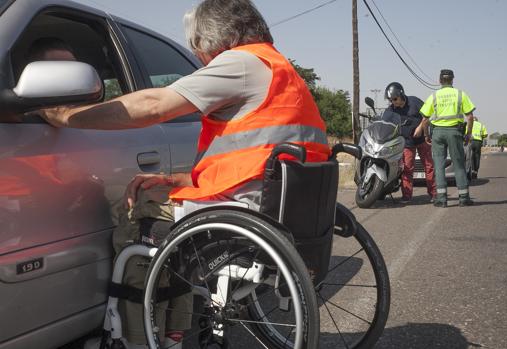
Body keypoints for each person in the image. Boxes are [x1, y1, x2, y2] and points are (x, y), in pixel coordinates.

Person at [36, 0, 331, 347]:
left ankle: (136, 338)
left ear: (221, 39)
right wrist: (182, 181)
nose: (203, 60)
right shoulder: (281, 69)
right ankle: (175, 329)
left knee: (139, 216)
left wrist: (66, 117)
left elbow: (152, 105)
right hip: (278, 207)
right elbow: (261, 159)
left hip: (244, 212)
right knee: (161, 204)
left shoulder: (240, 63)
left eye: (200, 50)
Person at [415, 69, 475, 208]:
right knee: (459, 164)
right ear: (453, 79)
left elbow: (425, 119)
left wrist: (426, 135)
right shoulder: (460, 94)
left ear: (440, 80)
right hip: (455, 132)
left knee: (439, 166)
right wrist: (468, 134)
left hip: (438, 133)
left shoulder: (434, 96)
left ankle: (441, 199)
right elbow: (470, 117)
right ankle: (464, 198)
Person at [384, 82, 437, 203]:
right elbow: (384, 121)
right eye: (391, 100)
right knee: (407, 169)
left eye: (395, 99)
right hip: (406, 143)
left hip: (422, 140)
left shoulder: (415, 101)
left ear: (401, 94)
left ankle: (434, 194)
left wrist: (420, 128)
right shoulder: (391, 109)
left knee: (429, 167)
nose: (393, 102)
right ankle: (407, 196)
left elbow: (427, 116)